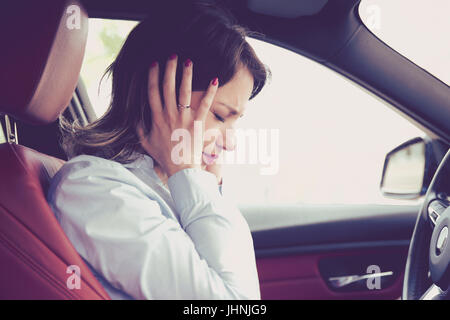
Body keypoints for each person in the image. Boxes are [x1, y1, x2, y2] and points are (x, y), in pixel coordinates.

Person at [47, 0, 270, 299]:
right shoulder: (93, 191)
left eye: (235, 121)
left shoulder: (167, 188)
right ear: (161, 97)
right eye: (219, 116)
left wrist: (201, 184)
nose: (231, 142)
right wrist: (189, 174)